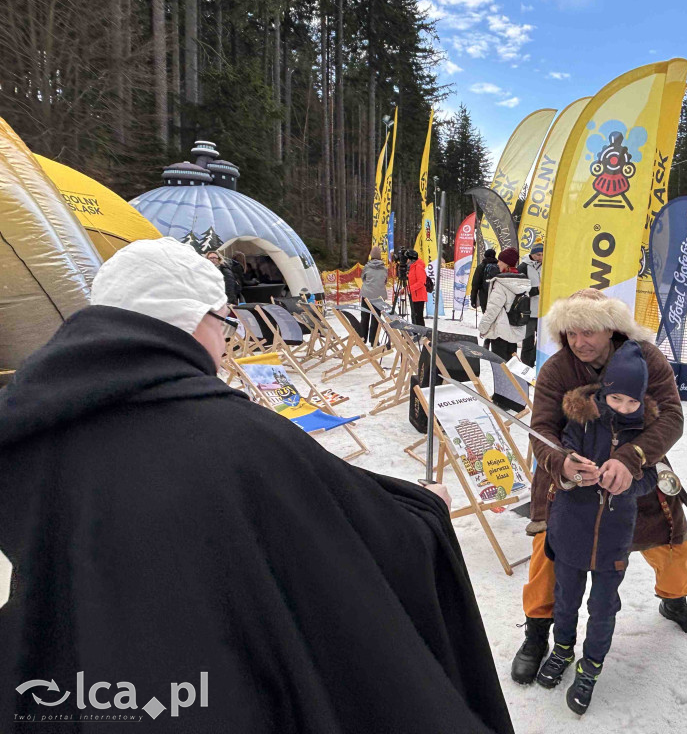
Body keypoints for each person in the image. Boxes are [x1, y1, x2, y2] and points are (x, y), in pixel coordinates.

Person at [0, 237, 514, 734]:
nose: (225, 341)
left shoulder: (28, 430)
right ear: (195, 321)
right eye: (224, 321)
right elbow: (348, 542)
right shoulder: (238, 440)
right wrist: (424, 510)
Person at [512, 288, 687, 688]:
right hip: (568, 476)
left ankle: (674, 601)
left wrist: (632, 457)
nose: (579, 342)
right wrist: (561, 464)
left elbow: (672, 417)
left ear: (611, 329)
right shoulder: (556, 369)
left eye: (589, 332)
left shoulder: (646, 358)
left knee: (673, 541)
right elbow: (542, 430)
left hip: (638, 469)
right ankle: (537, 633)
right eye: (571, 333)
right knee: (548, 554)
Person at [535, 340, 658, 715]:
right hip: (571, 526)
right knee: (566, 599)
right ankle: (562, 649)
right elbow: (564, 452)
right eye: (617, 398)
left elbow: (652, 477)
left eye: (631, 402)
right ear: (606, 392)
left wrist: (627, 482)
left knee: (603, 607)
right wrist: (573, 470)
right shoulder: (581, 418)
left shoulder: (645, 432)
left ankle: (591, 667)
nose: (623, 408)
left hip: (613, 537)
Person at [478, 247, 531, 362]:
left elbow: (493, 309)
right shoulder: (523, 282)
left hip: (500, 331)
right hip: (515, 328)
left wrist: (483, 328)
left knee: (499, 367)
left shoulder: (501, 283)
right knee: (511, 366)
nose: (498, 263)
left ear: (506, 263)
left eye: (500, 260)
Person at [518, 244, 543, 366]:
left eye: (543, 254)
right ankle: (526, 364)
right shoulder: (523, 267)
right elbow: (520, 288)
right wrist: (537, 290)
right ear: (532, 254)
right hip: (529, 310)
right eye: (538, 254)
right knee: (528, 339)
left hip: (543, 310)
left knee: (542, 341)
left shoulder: (547, 265)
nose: (541, 257)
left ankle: (535, 361)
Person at [360, 245, 388, 344]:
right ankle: (374, 340)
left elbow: (363, 278)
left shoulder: (367, 267)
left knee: (364, 317)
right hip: (379, 297)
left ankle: (362, 338)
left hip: (366, 295)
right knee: (376, 318)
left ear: (371, 256)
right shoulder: (384, 269)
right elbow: (385, 281)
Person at [471, 248, 500, 313]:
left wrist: (473, 299)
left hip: (484, 296)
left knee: (486, 315)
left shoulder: (481, 266)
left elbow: (475, 284)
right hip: (497, 296)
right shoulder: (498, 266)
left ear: (485, 256)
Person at [407, 248, 427, 327]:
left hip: (418, 296)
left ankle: (421, 334)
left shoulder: (418, 267)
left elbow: (421, 282)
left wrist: (410, 289)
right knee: (414, 316)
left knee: (418, 317)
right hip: (414, 295)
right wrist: (405, 289)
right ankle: (416, 333)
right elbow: (412, 281)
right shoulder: (412, 267)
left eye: (407, 259)